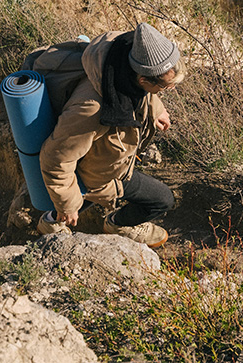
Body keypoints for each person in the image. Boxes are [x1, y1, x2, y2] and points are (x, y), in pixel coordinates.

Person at [37, 22, 183, 248]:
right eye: (164, 87)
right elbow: (56, 158)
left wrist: (156, 106)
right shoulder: (91, 109)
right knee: (161, 200)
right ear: (144, 81)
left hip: (106, 162)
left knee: (76, 200)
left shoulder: (124, 55)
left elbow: (139, 91)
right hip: (98, 176)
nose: (169, 90)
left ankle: (55, 217)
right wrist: (67, 205)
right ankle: (104, 224)